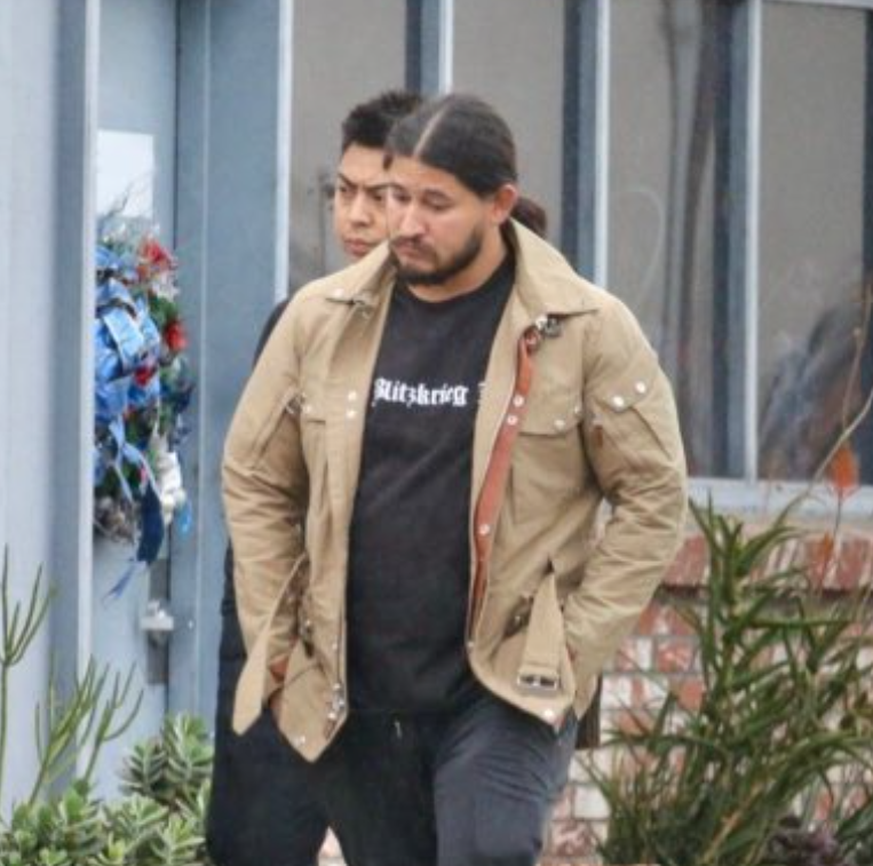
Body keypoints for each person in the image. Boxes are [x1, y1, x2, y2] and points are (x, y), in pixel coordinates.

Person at [222, 93, 688, 866]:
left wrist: (571, 645)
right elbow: (255, 476)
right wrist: (280, 646)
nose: (405, 222)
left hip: (504, 687)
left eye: (434, 204)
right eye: (395, 196)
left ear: (498, 204)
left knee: (486, 847)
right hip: (353, 691)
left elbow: (653, 494)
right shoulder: (320, 318)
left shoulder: (584, 329)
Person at [206, 89, 421, 866]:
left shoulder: (469, 337)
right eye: (343, 190)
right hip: (289, 645)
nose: (355, 215)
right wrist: (260, 649)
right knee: (253, 844)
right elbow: (259, 490)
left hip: (408, 669)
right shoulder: (298, 322)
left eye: (379, 195)